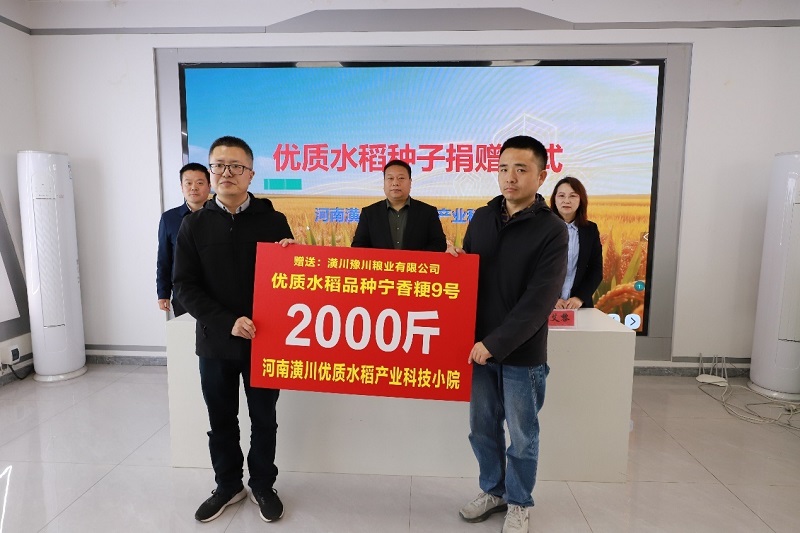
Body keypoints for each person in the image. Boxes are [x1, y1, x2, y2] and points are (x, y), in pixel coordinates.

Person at [173, 136, 294, 524]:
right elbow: (184, 286)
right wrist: (228, 321)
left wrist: (293, 255)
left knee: (264, 419)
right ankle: (228, 485)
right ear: (211, 172)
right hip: (215, 342)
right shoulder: (193, 225)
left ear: (251, 174)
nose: (227, 172)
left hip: (265, 340)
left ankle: (262, 484)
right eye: (219, 165)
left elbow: (290, 280)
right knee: (221, 421)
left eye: (236, 166)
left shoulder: (273, 221)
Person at [450, 135, 567, 533]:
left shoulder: (552, 230)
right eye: (503, 168)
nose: (509, 177)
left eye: (521, 169)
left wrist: (495, 343)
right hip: (478, 349)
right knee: (482, 429)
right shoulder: (483, 218)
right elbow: (471, 276)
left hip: (520, 353)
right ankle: (493, 490)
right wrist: (456, 264)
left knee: (522, 435)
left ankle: (519, 501)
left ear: (541, 176)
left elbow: (539, 301)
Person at [351, 159, 447, 251]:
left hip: (415, 263)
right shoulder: (369, 213)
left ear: (410, 182)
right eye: (390, 178)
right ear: (384, 183)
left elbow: (439, 244)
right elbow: (358, 246)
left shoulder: (428, 212)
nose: (395, 183)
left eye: (401, 178)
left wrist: (415, 259)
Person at [156, 162, 210, 316]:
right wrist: (163, 293)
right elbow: (164, 258)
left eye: (200, 183)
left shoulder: (220, 216)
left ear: (209, 186)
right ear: (181, 187)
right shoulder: (169, 218)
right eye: (188, 183)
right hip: (183, 293)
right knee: (185, 330)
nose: (194, 188)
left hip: (215, 292)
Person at [549, 176, 603, 309]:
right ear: (554, 199)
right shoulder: (542, 228)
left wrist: (580, 297)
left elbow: (596, 269)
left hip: (579, 307)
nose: (566, 200)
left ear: (581, 200)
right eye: (561, 195)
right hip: (546, 306)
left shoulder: (590, 230)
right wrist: (550, 298)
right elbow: (532, 269)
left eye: (573, 196)